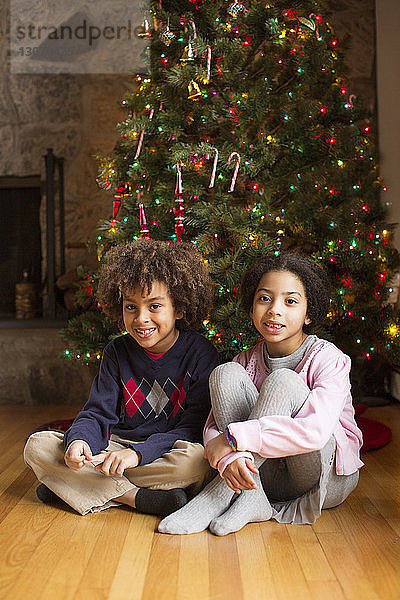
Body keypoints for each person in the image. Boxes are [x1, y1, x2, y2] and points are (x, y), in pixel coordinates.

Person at [158, 252, 363, 536]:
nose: (275, 310)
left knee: (284, 381)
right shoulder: (246, 360)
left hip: (319, 477)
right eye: (264, 298)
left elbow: (315, 433)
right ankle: (251, 499)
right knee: (224, 374)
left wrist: (233, 439)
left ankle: (216, 496)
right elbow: (212, 426)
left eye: (290, 301)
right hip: (261, 478)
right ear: (252, 308)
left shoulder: (329, 358)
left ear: (309, 313)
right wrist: (229, 456)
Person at [24, 239, 218, 518]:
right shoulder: (117, 352)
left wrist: (137, 455)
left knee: (196, 463)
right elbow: (97, 413)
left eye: (154, 307)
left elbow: (192, 427)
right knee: (37, 446)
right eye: (131, 307)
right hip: (113, 447)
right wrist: (79, 441)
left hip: (164, 451)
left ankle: (69, 487)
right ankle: (134, 498)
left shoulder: (200, 353)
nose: (141, 319)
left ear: (180, 308)